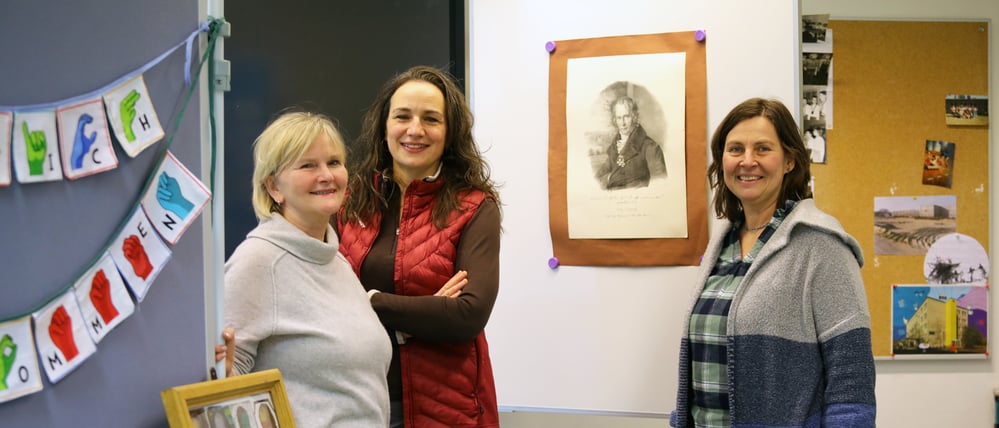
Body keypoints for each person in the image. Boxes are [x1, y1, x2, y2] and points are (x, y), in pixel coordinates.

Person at [670, 98, 875, 427]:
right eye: (735, 149)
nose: (747, 161)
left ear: (790, 161)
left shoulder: (821, 245)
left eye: (763, 149)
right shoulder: (720, 244)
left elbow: (851, 376)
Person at [336, 65, 502, 428]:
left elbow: (466, 316)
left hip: (445, 409)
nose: (415, 130)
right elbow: (321, 303)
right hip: (356, 402)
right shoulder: (348, 203)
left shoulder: (473, 207)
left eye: (431, 119)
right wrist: (420, 315)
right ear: (384, 126)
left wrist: (369, 301)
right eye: (403, 116)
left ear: (450, 132)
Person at [220, 110, 394, 427]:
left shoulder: (335, 260)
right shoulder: (258, 261)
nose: (326, 175)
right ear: (273, 187)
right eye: (307, 165)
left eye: (334, 162)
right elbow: (224, 391)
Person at [596, 96, 667, 190]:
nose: (622, 123)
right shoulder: (614, 148)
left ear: (634, 117)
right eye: (619, 118)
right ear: (615, 120)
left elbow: (660, 185)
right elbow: (598, 177)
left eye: (626, 117)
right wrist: (608, 179)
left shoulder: (650, 147)